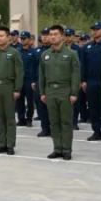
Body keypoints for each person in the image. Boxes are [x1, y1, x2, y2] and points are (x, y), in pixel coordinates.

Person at [39, 24, 80, 160]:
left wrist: (74, 93)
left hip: (65, 90)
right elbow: (42, 75)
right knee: (54, 121)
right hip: (50, 91)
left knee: (66, 122)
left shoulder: (71, 54)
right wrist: (42, 92)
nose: (52, 37)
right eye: (51, 34)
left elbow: (75, 74)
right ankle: (57, 148)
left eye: (56, 34)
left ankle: (67, 149)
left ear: (62, 36)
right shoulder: (45, 55)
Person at [0, 26, 23, 155]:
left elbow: (19, 72)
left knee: (9, 117)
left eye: (1, 36)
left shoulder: (14, 52)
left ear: (8, 38)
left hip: (9, 87)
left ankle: (10, 144)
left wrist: (17, 89)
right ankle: (1, 143)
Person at [81, 22, 101, 142]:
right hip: (91, 82)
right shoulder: (87, 47)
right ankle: (96, 131)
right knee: (93, 108)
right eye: (93, 29)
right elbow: (82, 65)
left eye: (97, 29)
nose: (95, 31)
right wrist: (83, 80)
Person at [33, 28, 53, 138]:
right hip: (39, 82)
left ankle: (54, 128)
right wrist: (33, 80)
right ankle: (45, 128)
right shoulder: (37, 51)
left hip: (51, 82)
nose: (45, 37)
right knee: (41, 107)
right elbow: (33, 67)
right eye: (43, 35)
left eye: (47, 35)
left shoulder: (54, 50)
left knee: (52, 107)